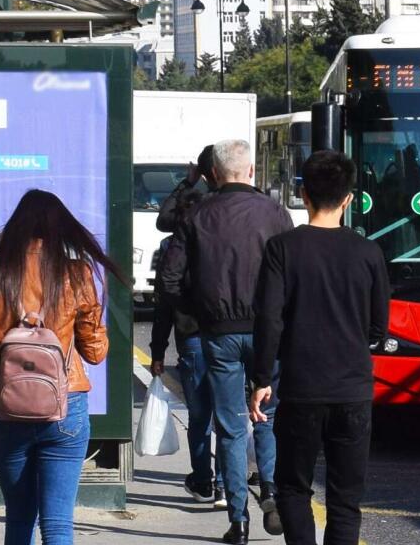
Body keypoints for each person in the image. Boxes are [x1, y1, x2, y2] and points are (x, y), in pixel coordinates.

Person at [0, 189, 125, 545]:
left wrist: (4, 338)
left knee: (18, 520)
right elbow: (95, 353)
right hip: (65, 407)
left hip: (6, 408)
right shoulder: (77, 275)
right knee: (58, 524)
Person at [249, 150, 389, 545]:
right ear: (348, 198)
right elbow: (379, 327)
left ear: (304, 195)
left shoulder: (282, 248)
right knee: (346, 499)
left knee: (294, 488)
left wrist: (261, 379)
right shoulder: (369, 252)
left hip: (301, 388)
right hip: (353, 390)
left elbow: (269, 320)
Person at [158, 139, 294, 544]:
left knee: (231, 426)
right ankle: (269, 487)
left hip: (217, 333)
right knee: (268, 414)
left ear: (214, 174)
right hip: (268, 330)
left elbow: (168, 278)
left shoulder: (197, 214)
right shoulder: (275, 212)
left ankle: (239, 520)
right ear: (251, 170)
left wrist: (199, 309)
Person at [150, 144, 227, 507]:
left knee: (200, 417)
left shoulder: (174, 248)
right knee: (229, 414)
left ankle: (204, 480)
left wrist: (186, 182)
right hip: (229, 332)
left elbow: (164, 302)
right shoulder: (224, 230)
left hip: (193, 337)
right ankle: (228, 483)